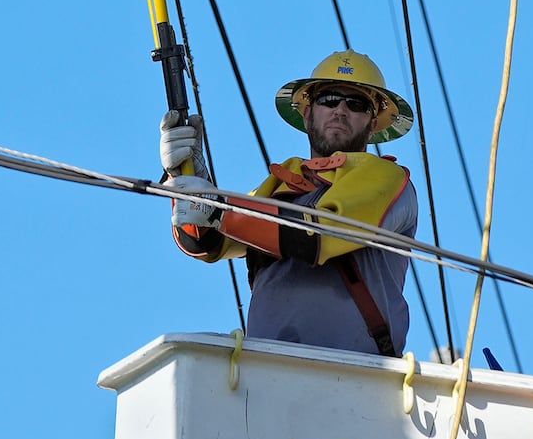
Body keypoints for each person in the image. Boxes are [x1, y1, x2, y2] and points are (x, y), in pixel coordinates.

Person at [163, 50, 418, 358]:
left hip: (358, 375)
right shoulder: (280, 185)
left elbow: (317, 235)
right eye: (329, 99)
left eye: (356, 103)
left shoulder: (387, 178)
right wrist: (186, 181)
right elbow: (206, 243)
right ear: (307, 111)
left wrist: (218, 210)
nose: (340, 110)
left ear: (373, 121)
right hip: (268, 370)